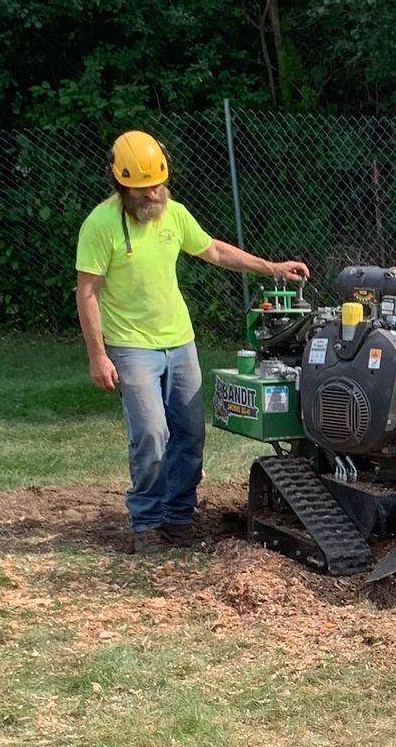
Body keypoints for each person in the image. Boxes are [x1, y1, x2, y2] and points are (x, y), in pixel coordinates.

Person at [75, 130, 309, 550]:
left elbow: (215, 251)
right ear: (120, 185)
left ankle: (177, 517)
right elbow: (87, 291)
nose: (153, 195)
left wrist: (271, 268)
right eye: (143, 189)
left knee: (190, 435)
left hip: (180, 343)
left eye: (159, 185)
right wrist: (98, 356)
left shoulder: (174, 214)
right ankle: (146, 522)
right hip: (131, 347)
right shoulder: (100, 225)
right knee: (150, 434)